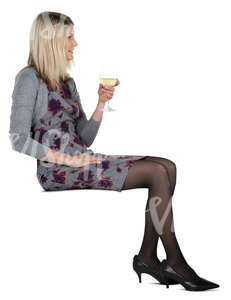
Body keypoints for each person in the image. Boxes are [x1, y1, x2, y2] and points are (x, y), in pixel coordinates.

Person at [9, 11, 219, 291]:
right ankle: (175, 262)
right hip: (56, 170)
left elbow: (83, 138)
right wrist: (66, 159)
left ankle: (147, 257)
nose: (76, 43)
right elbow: (17, 138)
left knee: (167, 166)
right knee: (156, 172)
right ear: (51, 41)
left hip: (82, 159)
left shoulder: (67, 82)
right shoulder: (29, 80)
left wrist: (99, 105)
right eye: (70, 37)